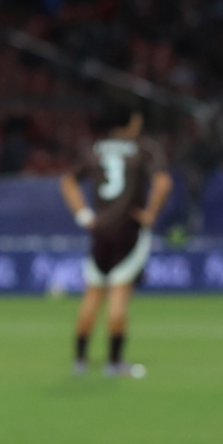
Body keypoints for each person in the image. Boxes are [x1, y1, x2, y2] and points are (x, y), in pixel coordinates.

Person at [59, 105, 171, 376]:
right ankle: (114, 362)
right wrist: (150, 214)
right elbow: (163, 182)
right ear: (132, 120)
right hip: (128, 229)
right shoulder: (143, 148)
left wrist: (84, 215)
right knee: (119, 294)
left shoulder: (94, 149)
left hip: (100, 229)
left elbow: (68, 181)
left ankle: (80, 360)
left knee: (93, 294)